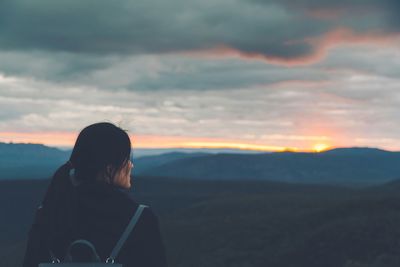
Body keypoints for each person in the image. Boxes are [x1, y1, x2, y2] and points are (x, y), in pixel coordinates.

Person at [22, 122, 168, 267]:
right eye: (127, 159)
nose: (131, 165)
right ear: (109, 169)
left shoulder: (49, 212)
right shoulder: (139, 218)